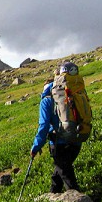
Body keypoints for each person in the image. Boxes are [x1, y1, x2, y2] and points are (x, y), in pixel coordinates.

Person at [30, 62, 81, 193]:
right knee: (59, 172)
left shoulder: (46, 100)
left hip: (59, 143)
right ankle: (54, 195)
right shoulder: (70, 93)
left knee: (68, 178)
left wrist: (35, 147)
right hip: (76, 139)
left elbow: (44, 126)